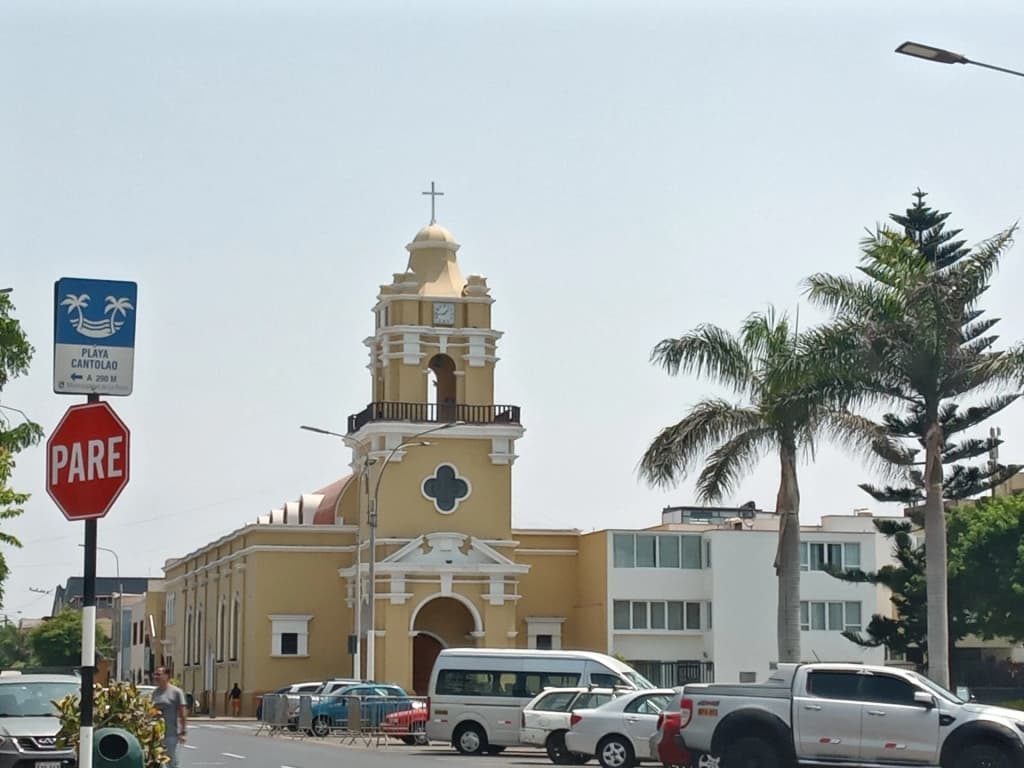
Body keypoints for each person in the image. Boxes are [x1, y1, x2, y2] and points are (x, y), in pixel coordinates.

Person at [152, 667, 187, 767]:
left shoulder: (176, 692)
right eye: (155, 674)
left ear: (167, 676)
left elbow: (182, 713)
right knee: (156, 762)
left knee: (171, 762)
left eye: (159, 674)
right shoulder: (155, 692)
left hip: (170, 734)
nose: (156, 677)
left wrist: (183, 732)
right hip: (156, 735)